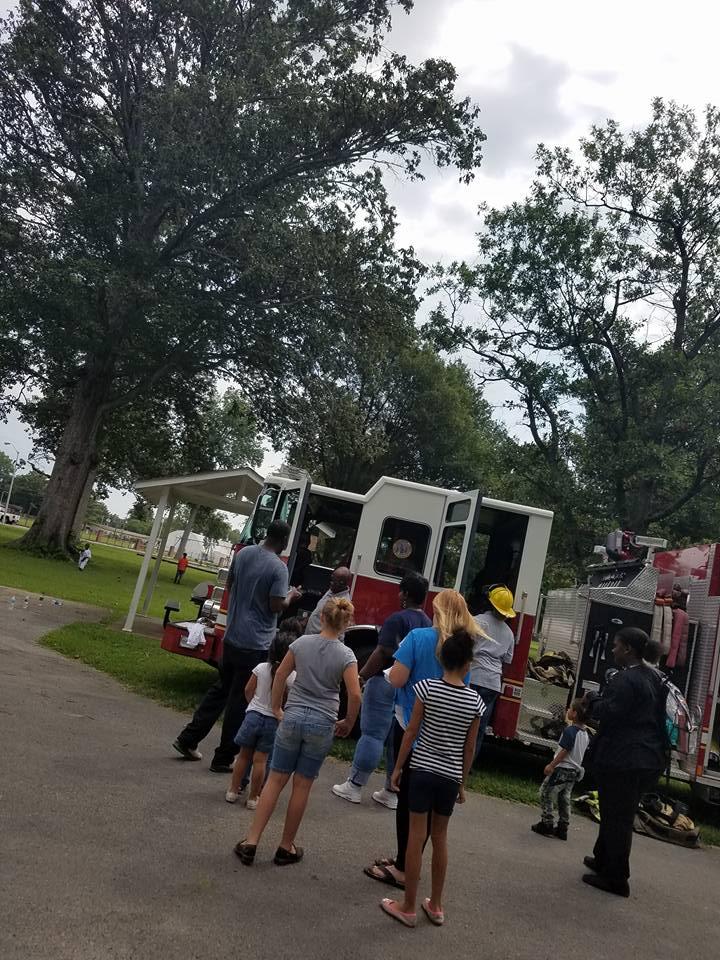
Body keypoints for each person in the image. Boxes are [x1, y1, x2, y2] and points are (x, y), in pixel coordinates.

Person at [363, 589, 483, 890]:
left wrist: (390, 674)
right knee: (428, 815)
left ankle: (404, 868)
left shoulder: (418, 637)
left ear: (437, 610)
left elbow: (398, 678)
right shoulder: (462, 647)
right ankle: (407, 860)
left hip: (411, 723)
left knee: (407, 801)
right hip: (446, 735)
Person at [234, 597, 361, 866]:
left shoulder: (301, 644)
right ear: (345, 624)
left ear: (322, 618)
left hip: (293, 717)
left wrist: (278, 708)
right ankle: (285, 846)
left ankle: (251, 841)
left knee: (275, 780)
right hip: (322, 721)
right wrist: (348, 722)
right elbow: (354, 693)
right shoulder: (346, 655)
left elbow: (280, 675)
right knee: (302, 785)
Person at [172, 521, 301, 771]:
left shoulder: (243, 554)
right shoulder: (279, 568)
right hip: (255, 642)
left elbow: (230, 585)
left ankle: (188, 739)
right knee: (240, 701)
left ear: (266, 534)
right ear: (284, 540)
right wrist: (291, 597)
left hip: (232, 636)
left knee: (220, 690)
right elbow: (276, 606)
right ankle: (223, 758)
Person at [379, 629, 484, 927]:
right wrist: (462, 783)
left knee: (416, 836)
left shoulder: (425, 689)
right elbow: (470, 747)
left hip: (422, 770)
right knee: (440, 838)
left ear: (441, 659)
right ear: (467, 665)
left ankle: (408, 906)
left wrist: (398, 767)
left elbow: (410, 732)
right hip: (449, 778)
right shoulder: (475, 702)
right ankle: (436, 905)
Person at [332, 573, 431, 808]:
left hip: (385, 680)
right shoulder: (427, 622)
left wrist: (362, 676)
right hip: (410, 687)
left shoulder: (397, 619)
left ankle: (355, 786)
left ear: (405, 594)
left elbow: (383, 651)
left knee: (373, 733)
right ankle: (391, 790)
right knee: (398, 739)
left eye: (401, 591)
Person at [582, 627, 668, 897]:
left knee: (618, 817)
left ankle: (617, 878)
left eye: (616, 646)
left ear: (628, 649)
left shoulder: (626, 680)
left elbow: (610, 713)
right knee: (612, 811)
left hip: (626, 759)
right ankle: (603, 859)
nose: (612, 650)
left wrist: (591, 701)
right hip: (645, 757)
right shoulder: (653, 677)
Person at [225, 619, 303, 807]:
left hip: (252, 716)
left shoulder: (261, 668)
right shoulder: (292, 677)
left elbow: (247, 690)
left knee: (243, 756)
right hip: (272, 721)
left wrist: (253, 703)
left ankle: (233, 791)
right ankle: (253, 797)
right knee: (261, 761)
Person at [531, 697, 590, 840]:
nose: (567, 710)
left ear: (574, 714)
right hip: (574, 772)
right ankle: (563, 827)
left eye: (570, 709)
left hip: (562, 769)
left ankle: (547, 823)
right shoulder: (585, 734)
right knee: (564, 797)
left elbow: (565, 750)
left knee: (546, 793)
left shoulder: (570, 731)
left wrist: (552, 765)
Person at [470, 584, 516, 760]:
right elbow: (507, 661)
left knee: (461, 721)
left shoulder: (476, 621)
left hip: (473, 676)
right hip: (492, 685)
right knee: (479, 727)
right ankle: (468, 765)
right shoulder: (510, 634)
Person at [303, 566, 352, 636]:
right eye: (331, 579)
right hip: (311, 636)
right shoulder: (333, 590)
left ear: (341, 583)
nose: (330, 583)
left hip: (320, 642)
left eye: (334, 581)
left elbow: (339, 630)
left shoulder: (343, 603)